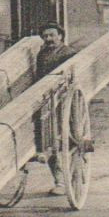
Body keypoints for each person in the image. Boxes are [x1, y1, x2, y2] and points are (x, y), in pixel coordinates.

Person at [33, 23, 82, 195]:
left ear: (60, 36)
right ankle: (59, 180)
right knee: (47, 137)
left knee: (60, 137)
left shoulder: (68, 54)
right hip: (46, 99)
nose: (48, 39)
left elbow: (70, 78)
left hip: (63, 99)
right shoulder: (42, 54)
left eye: (52, 35)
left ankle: (68, 180)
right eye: (45, 36)